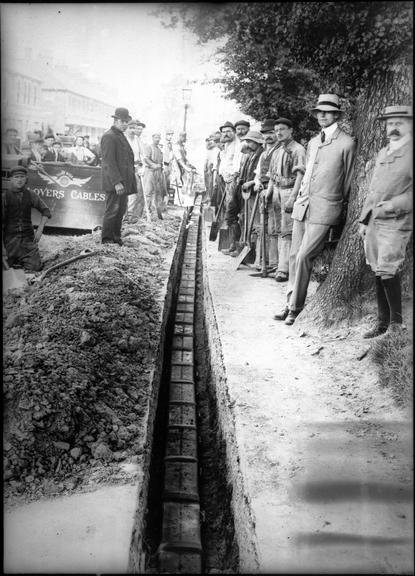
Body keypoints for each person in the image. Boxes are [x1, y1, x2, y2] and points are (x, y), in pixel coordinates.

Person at [277, 93, 357, 325]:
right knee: (294, 256)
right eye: (319, 112)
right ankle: (289, 301)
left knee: (304, 256)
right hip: (303, 205)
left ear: (337, 115)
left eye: (328, 112)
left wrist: (341, 209)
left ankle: (296, 307)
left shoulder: (347, 143)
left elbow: (349, 181)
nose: (322, 115)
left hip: (326, 208)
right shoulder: (313, 142)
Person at [359, 105, 412, 338]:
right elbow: (373, 189)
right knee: (378, 269)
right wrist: (363, 219)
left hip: (396, 220)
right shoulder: (383, 152)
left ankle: (396, 326)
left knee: (389, 268)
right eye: (390, 123)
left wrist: (392, 205)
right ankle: (382, 323)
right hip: (374, 220)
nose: (393, 128)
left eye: (399, 123)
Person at [266, 118, 306, 282]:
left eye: (282, 129)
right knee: (276, 229)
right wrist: (268, 193)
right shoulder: (276, 151)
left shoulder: (298, 150)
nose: (279, 133)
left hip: (290, 191)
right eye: (276, 130)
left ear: (291, 130)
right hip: (276, 191)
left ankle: (284, 269)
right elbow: (271, 175)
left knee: (288, 231)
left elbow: (300, 175)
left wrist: (293, 197)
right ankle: (275, 264)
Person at [2, 166, 51, 271]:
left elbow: (46, 211)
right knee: (5, 268)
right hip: (10, 241)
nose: (19, 180)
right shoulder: (5, 197)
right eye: (16, 177)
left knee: (35, 268)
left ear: (26, 179)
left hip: (28, 241)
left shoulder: (31, 195)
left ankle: (21, 261)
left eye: (22, 177)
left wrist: (40, 230)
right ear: (11, 179)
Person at [101, 107, 137, 245]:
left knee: (120, 210)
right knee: (112, 211)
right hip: (114, 183)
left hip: (123, 183)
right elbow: (109, 162)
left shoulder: (120, 135)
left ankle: (116, 237)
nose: (125, 124)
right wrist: (117, 182)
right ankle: (107, 239)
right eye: (123, 121)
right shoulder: (109, 136)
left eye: (126, 122)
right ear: (115, 120)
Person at [251, 119, 281, 271]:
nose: (267, 136)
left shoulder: (279, 151)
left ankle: (274, 263)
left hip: (274, 192)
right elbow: (258, 173)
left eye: (271, 133)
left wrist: (267, 188)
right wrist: (257, 182)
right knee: (262, 227)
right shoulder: (263, 153)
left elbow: (275, 175)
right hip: (261, 192)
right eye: (265, 134)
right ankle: (261, 260)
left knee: (273, 228)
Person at [123, 119, 146, 222]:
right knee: (124, 193)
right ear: (127, 128)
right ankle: (123, 214)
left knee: (134, 192)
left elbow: (142, 155)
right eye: (131, 128)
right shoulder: (123, 139)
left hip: (135, 168)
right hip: (124, 169)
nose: (133, 131)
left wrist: (143, 167)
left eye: (134, 128)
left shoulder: (137, 140)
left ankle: (130, 215)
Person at [143, 132, 165, 219]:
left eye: (159, 138)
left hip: (158, 172)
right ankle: (146, 213)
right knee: (148, 192)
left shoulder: (159, 149)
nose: (158, 139)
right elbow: (146, 158)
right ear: (152, 138)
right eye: (156, 137)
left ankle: (155, 213)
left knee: (156, 193)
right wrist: (153, 165)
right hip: (150, 171)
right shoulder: (149, 147)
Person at [173, 132, 197, 197]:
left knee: (191, 173)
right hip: (177, 166)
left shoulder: (182, 146)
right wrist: (186, 167)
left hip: (182, 165)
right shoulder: (176, 146)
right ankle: (181, 198)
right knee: (180, 181)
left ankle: (188, 193)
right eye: (184, 137)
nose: (185, 139)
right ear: (180, 137)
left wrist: (189, 164)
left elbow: (184, 158)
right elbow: (179, 159)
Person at [162, 129, 175, 204]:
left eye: (171, 135)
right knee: (163, 184)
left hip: (169, 165)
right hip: (164, 165)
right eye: (168, 135)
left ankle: (166, 202)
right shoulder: (163, 144)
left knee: (168, 183)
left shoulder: (171, 144)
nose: (170, 137)